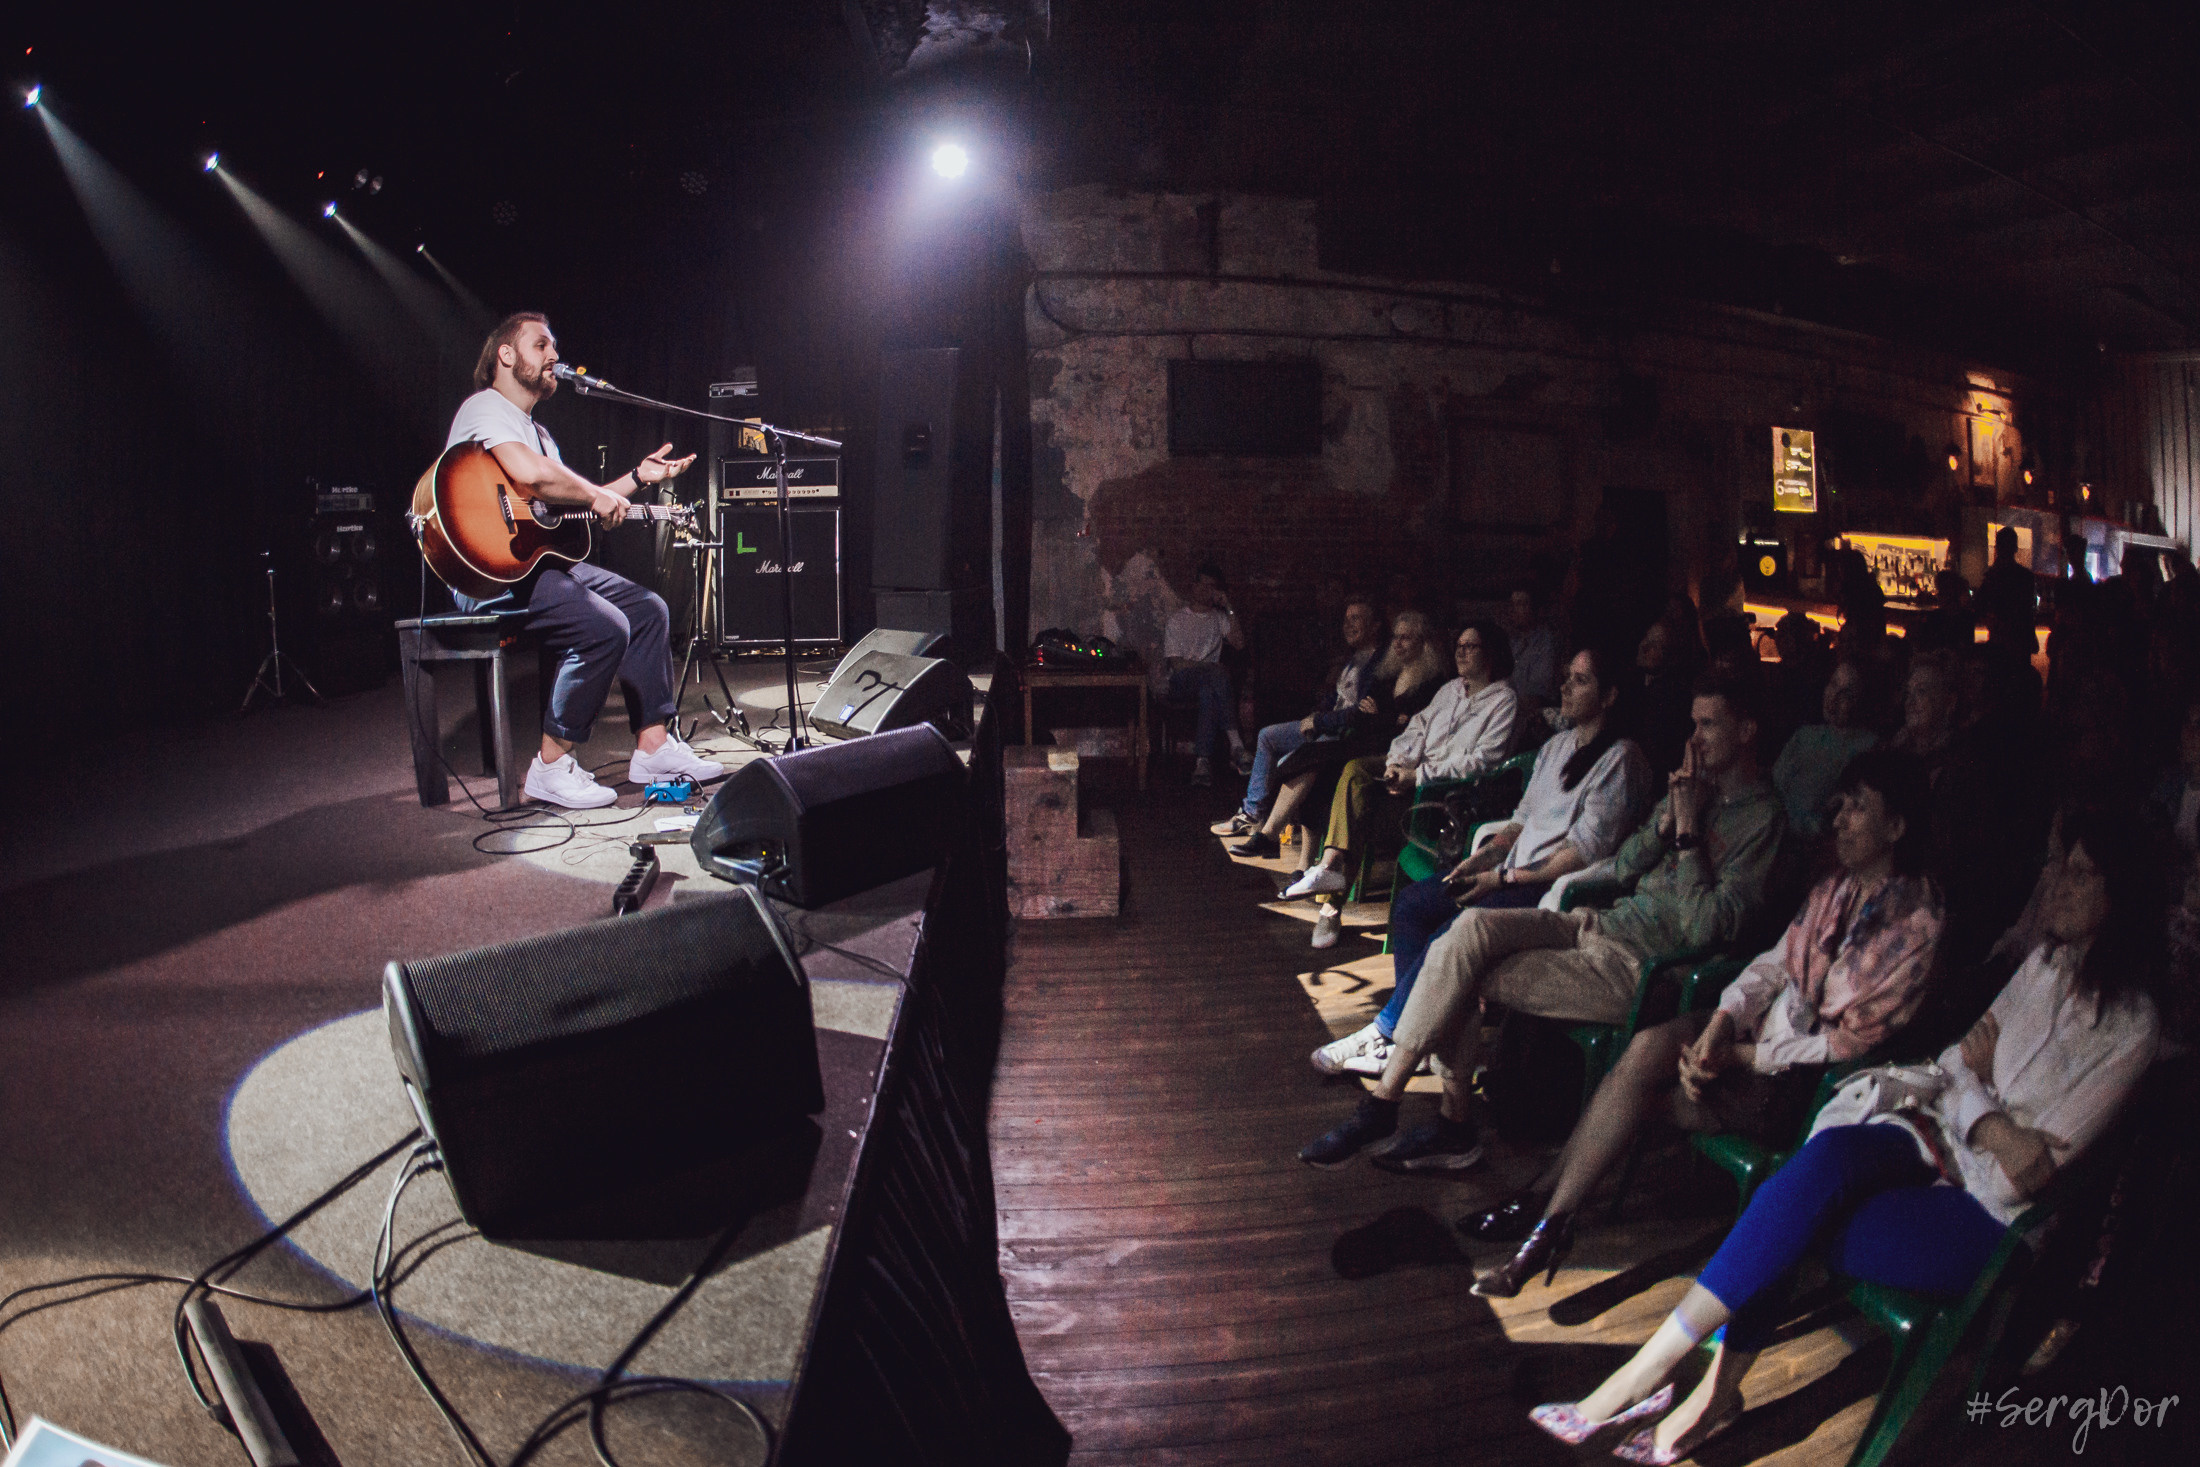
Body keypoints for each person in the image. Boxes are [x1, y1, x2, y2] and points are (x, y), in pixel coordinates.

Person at [1530, 806, 2159, 1464]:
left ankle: (1705, 1394)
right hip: (1936, 1137)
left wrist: (1980, 1094)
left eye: (2082, 874)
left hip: (1989, 1215)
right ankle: (1648, 1372)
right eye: (2060, 867)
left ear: (2125, 893)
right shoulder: (2041, 968)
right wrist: (1993, 1114)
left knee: (1794, 1211)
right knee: (1814, 1169)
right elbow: (1950, 1065)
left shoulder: (2131, 1028)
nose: (2058, 883)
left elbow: (2022, 1176)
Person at [1469, 751, 1941, 1297]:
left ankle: (1546, 1214)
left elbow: (1842, 1044)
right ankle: (1548, 1216)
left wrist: (1736, 1057)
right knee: (1647, 1047)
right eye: (1842, 805)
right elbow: (1773, 964)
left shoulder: (1915, 925)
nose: (1838, 819)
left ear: (1897, 826)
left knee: (1639, 1095)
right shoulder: (1837, 885)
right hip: (1755, 1034)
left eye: (1858, 809)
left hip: (1801, 1083)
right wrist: (1720, 1024)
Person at [1299, 666, 1788, 1173]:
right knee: (1469, 929)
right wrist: (1666, 825)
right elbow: (1623, 866)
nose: (1695, 740)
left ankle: (1420, 1116)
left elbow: (1706, 929)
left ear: (1747, 731)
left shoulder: (1763, 822)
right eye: (1693, 725)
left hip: (1642, 967)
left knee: (1460, 968)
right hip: (1595, 924)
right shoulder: (1691, 793)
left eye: (1708, 726)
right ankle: (1398, 1109)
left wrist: (1686, 838)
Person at [1311, 645, 1650, 1071]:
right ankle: (1420, 1032)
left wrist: (1507, 880)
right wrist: (1483, 859)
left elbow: (1584, 852)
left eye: (1580, 680)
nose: (1564, 686)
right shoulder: (1558, 745)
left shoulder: (1619, 759)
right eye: (1565, 675)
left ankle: (1387, 1032)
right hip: (1508, 872)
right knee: (1414, 906)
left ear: (1610, 695)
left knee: (1451, 933)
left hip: (1547, 889)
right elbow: (1520, 821)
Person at [440, 313, 721, 809]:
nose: (554, 356)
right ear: (507, 355)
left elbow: (574, 500)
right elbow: (533, 477)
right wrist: (590, 495)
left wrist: (638, 478)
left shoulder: (541, 435)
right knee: (604, 625)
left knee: (648, 609)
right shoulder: (485, 408)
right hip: (490, 571)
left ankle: (653, 746)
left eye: (554, 346)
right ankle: (549, 767)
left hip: (535, 565)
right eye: (541, 345)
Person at [1281, 621, 1520, 905]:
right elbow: (1416, 730)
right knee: (1355, 770)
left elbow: (1482, 762)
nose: (1461, 652)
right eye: (1458, 646)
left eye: (1470, 647)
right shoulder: (1450, 690)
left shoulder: (1503, 700)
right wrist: (1397, 764)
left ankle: (1331, 906)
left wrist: (1417, 776)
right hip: (1412, 776)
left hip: (1444, 796)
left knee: (1359, 806)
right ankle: (1329, 866)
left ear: (1490, 653)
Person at [1215, 598, 1385, 852]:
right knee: (1268, 736)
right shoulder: (1353, 658)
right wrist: (1317, 713)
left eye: (1356, 619)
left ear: (1375, 626)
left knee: (1300, 760)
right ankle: (1252, 814)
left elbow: (1358, 713)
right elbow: (1337, 698)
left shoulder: (1378, 663)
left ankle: (1270, 834)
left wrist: (1318, 721)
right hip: (1326, 722)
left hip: (1341, 733)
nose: (1348, 625)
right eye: (1346, 619)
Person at [1771, 658, 1880, 841]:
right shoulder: (1804, 735)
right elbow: (1775, 786)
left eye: (1845, 693)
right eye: (1833, 684)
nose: (1834, 697)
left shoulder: (1869, 746)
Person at [1161, 562, 1247, 788]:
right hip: (1182, 682)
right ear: (1194, 586)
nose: (1208, 591)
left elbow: (1239, 643)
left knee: (1209, 692)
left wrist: (1228, 606)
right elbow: (1177, 664)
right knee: (1216, 673)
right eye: (1204, 585)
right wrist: (1207, 668)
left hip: (1210, 684)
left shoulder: (1219, 619)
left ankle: (1202, 763)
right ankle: (1236, 744)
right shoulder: (1178, 620)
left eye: (1213, 587)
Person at [1506, 585, 1562, 710]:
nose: (1514, 610)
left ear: (1535, 609)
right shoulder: (1512, 642)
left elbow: (1539, 695)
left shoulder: (1546, 644)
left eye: (1521, 604)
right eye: (1513, 604)